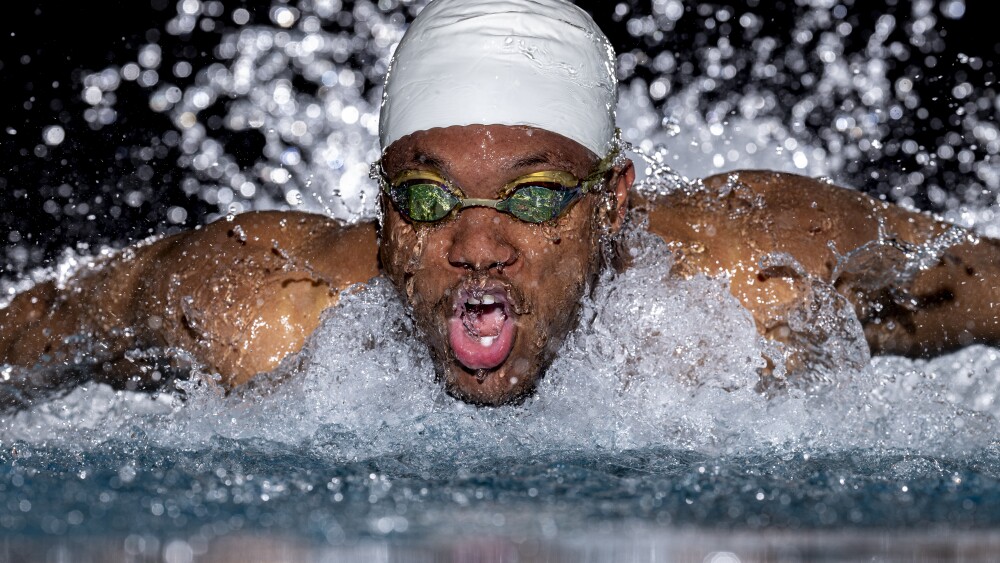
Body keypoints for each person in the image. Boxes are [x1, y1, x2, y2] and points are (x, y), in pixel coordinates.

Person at [2, 0, 999, 410]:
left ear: (612, 202)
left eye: (531, 196)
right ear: (386, 214)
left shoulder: (766, 280)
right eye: (429, 198)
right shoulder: (261, 309)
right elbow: (37, 327)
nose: (478, 244)